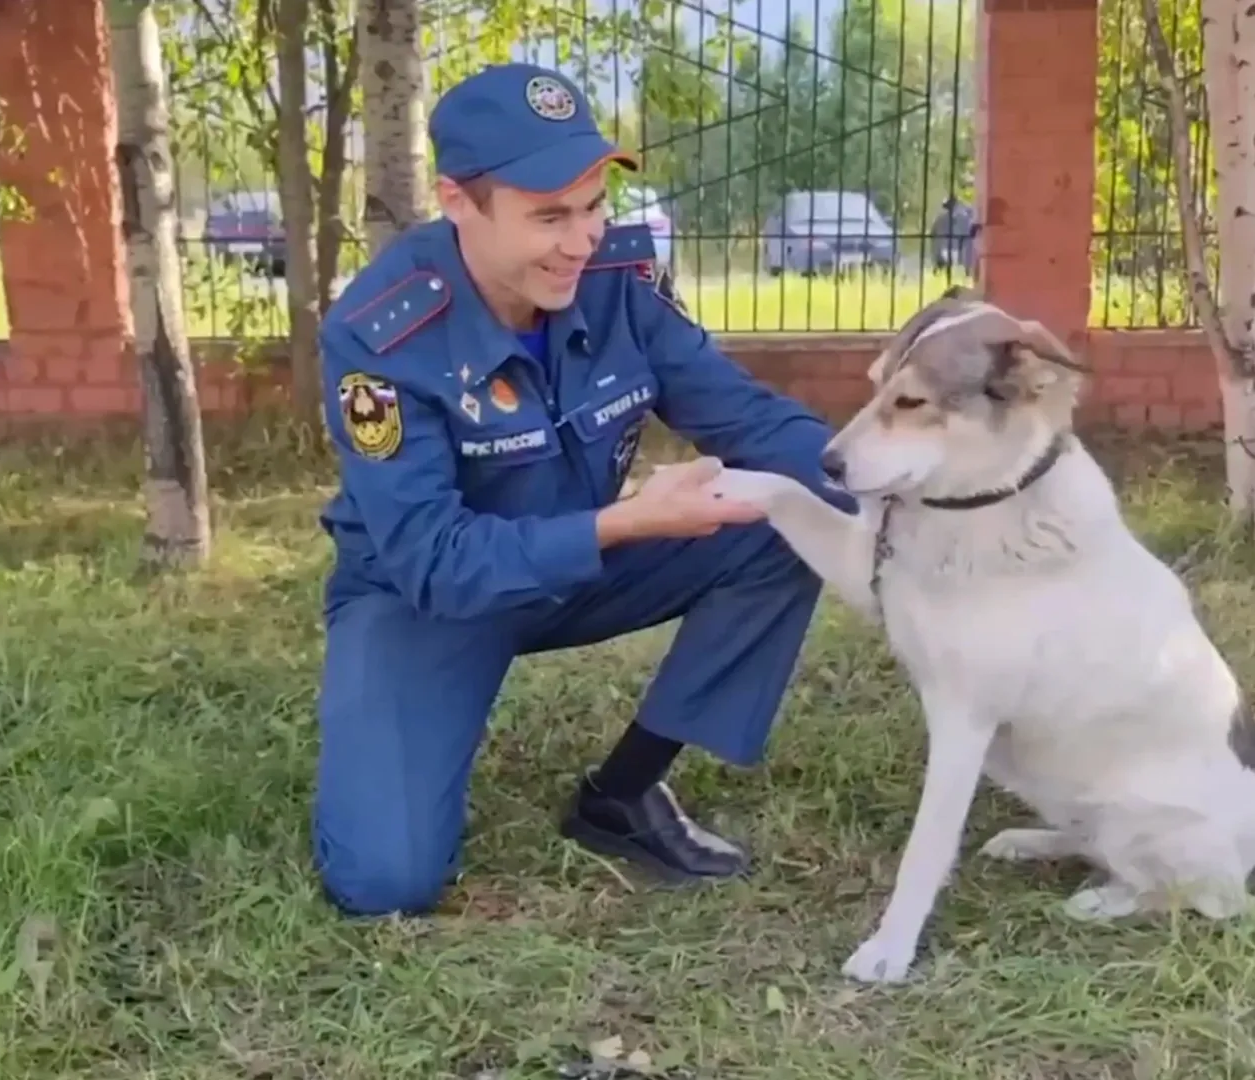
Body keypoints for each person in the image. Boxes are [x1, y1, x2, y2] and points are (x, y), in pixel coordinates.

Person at [310, 61, 854, 918]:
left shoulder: (616, 285)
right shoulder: (382, 335)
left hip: (584, 556)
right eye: (549, 216)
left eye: (595, 204)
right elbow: (433, 561)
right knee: (385, 881)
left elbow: (752, 422)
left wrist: (901, 493)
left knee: (788, 519)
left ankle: (623, 794)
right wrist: (623, 524)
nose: (583, 239)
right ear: (458, 202)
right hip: (429, 599)